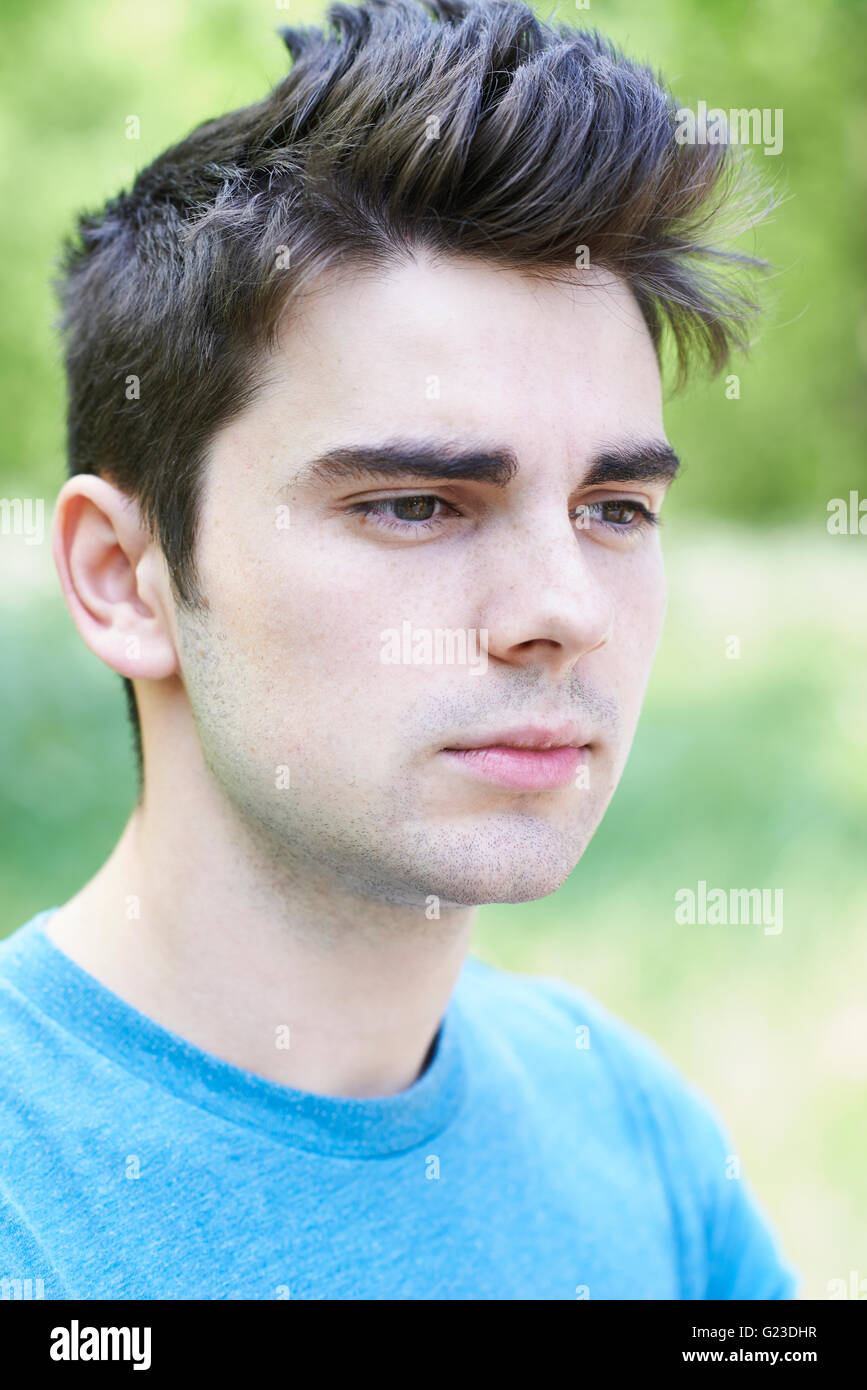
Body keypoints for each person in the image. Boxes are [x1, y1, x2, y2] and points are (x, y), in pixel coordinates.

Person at [0, 0, 797, 1299]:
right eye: (417, 504)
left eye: (614, 510)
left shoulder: (644, 1147)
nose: (563, 608)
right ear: (124, 577)